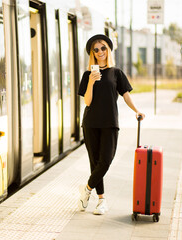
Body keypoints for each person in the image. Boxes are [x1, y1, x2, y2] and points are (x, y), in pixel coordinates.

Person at [77, 34, 145, 215]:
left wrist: (136, 110)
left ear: (108, 50)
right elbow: (88, 102)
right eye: (96, 49)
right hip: (91, 123)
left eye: (103, 48)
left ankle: (86, 190)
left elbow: (126, 94)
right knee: (95, 162)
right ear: (92, 53)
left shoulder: (116, 73)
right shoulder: (87, 75)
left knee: (105, 161)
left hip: (110, 123)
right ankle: (101, 201)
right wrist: (91, 80)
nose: (100, 52)